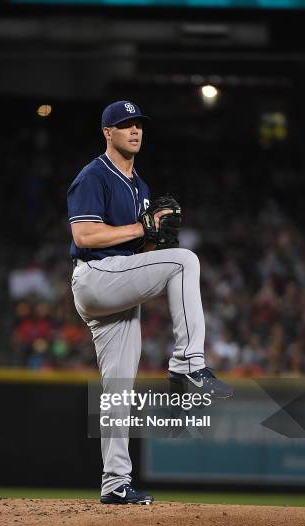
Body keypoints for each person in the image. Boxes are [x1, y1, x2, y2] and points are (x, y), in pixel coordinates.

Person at [67, 100, 232, 505]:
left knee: (118, 390)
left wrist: (152, 237)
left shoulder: (140, 187)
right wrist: (141, 228)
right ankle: (188, 363)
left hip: (118, 283)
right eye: (124, 125)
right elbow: (86, 237)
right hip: (96, 277)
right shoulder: (93, 175)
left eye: (138, 123)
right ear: (108, 132)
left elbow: (137, 250)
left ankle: (115, 483)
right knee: (185, 260)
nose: (134, 130)